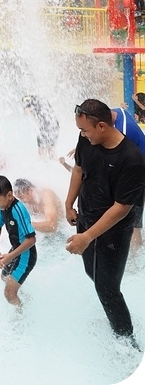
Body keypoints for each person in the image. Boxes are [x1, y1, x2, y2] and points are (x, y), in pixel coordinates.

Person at [65, 100, 145, 346]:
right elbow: (78, 169)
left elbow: (122, 208)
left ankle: (127, 344)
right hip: (85, 217)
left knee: (108, 288)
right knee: (93, 272)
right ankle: (114, 318)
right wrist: (69, 203)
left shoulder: (131, 158)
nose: (82, 135)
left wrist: (87, 237)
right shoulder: (86, 141)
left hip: (114, 230)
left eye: (85, 130)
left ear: (101, 126)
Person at [0, 174, 37, 307]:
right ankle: (23, 298)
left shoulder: (18, 210)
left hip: (26, 254)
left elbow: (31, 240)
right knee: (4, 277)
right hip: (16, 250)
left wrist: (10, 256)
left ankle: (22, 317)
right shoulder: (2, 207)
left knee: (8, 293)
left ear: (9, 196)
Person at [22, 95, 60, 160]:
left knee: (43, 151)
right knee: (51, 150)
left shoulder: (33, 104)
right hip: (54, 126)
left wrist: (30, 110)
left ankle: (44, 163)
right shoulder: (41, 102)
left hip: (47, 126)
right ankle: (51, 163)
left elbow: (28, 111)